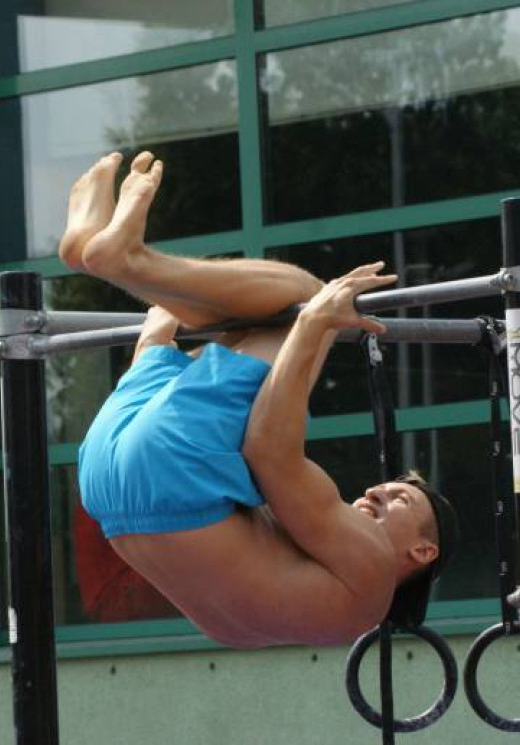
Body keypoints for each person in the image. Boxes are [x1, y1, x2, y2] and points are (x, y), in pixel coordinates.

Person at [60, 151, 459, 648]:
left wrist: (315, 323)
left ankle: (125, 261)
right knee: (235, 328)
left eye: (400, 499)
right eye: (386, 490)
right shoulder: (295, 611)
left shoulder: (372, 570)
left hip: (170, 473)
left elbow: (269, 448)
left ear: (424, 551)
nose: (373, 493)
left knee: (301, 296)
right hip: (105, 482)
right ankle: (101, 254)